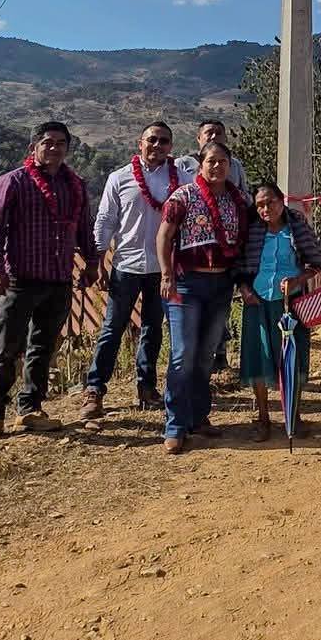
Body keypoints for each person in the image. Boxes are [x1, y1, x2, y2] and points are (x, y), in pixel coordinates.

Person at [0, 122, 98, 442]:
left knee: (42, 348)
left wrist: (91, 263)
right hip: (20, 279)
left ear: (67, 148)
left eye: (61, 143)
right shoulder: (14, 181)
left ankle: (30, 409)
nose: (54, 148)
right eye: (47, 142)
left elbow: (84, 229)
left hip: (58, 279)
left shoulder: (75, 185)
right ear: (34, 147)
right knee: (6, 348)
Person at [81, 121, 181, 421]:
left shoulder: (180, 177)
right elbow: (106, 220)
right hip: (126, 265)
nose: (157, 145)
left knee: (153, 329)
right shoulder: (120, 178)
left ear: (170, 147)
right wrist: (98, 259)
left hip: (162, 268)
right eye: (152, 139)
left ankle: (146, 388)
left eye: (164, 141)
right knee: (113, 328)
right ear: (140, 143)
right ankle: (94, 389)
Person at [155, 141, 250, 454]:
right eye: (211, 161)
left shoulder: (238, 200)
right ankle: (175, 425)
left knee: (206, 355)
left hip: (221, 285)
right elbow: (164, 236)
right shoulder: (183, 197)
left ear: (230, 165)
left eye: (223, 161)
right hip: (186, 284)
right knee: (183, 354)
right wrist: (166, 275)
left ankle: (198, 416)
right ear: (201, 164)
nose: (217, 166)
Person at [237, 180, 321, 441]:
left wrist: (298, 280)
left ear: (281, 200)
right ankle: (263, 418)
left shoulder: (297, 225)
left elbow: (315, 262)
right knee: (259, 357)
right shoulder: (252, 230)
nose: (266, 209)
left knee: (291, 359)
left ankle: (293, 415)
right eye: (260, 205)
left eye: (271, 202)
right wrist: (244, 288)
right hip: (257, 302)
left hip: (289, 305)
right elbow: (239, 265)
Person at [177, 118, 248, 191]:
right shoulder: (182, 164)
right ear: (199, 138)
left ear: (225, 138)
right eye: (209, 133)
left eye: (218, 133)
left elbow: (244, 192)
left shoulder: (235, 165)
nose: (214, 136)